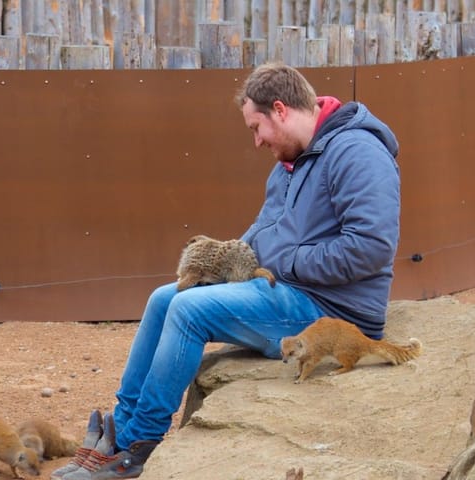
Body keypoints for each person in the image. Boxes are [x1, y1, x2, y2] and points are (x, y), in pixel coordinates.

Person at [54, 62, 402, 480]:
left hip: (330, 310)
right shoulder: (291, 163)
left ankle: (137, 448)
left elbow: (372, 248)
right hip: (288, 292)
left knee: (190, 312)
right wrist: (225, 265)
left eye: (257, 128)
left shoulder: (357, 152)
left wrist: (283, 262)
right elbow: (260, 235)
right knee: (167, 298)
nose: (257, 142)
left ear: (280, 110)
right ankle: (121, 431)